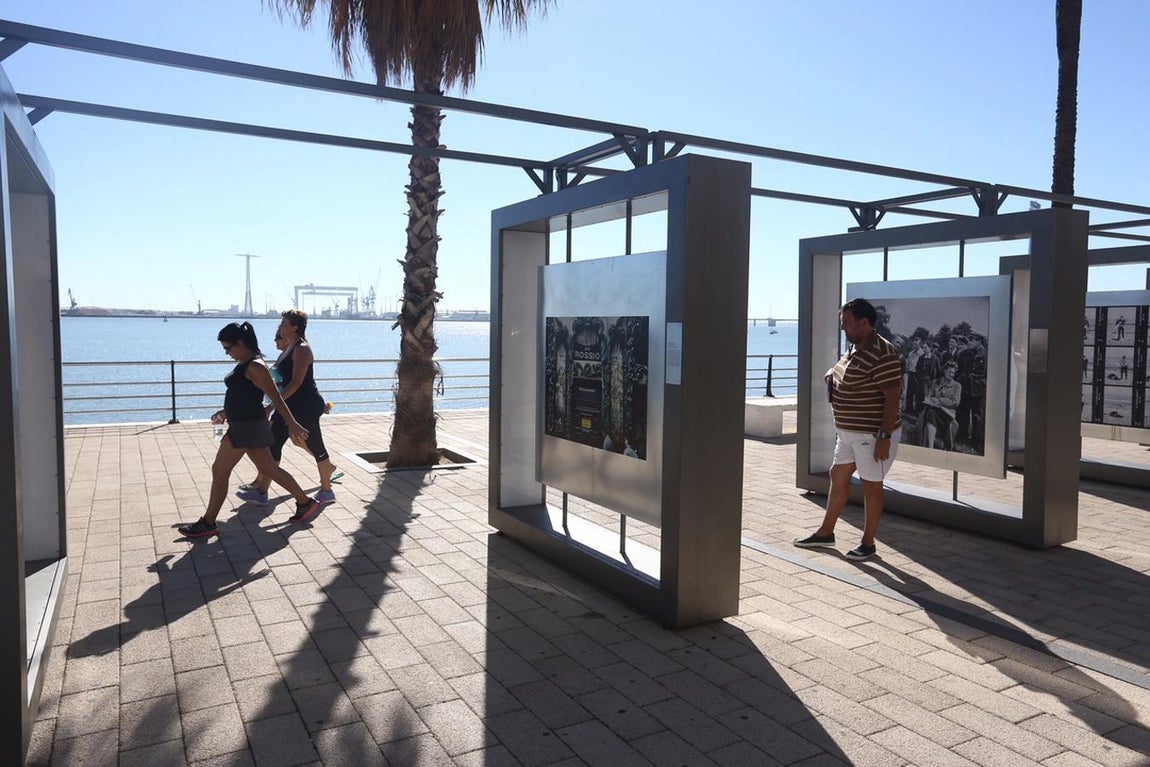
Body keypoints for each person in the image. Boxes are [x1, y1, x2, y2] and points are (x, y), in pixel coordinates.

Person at [178, 323, 321, 538]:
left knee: (220, 470)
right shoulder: (247, 363)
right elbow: (243, 396)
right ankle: (305, 502)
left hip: (247, 427)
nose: (227, 353)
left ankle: (208, 522)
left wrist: (292, 423)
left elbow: (276, 397)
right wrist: (225, 412)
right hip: (245, 424)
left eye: (229, 348)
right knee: (269, 468)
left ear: (241, 343)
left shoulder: (255, 366)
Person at [794, 298, 902, 561]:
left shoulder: (882, 351)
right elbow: (849, 372)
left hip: (871, 434)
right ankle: (826, 533)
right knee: (837, 475)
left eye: (847, 323)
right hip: (848, 433)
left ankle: (868, 543)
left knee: (871, 486)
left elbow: (892, 395)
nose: (843, 328)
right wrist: (833, 375)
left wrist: (884, 437)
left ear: (864, 322)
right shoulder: (855, 346)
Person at [237, 309, 339, 506]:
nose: (281, 327)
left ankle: (327, 490)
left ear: (295, 327)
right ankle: (261, 491)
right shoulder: (289, 348)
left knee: (315, 445)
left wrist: (272, 406)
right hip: (289, 406)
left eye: (284, 323)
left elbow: (296, 383)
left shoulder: (302, 349)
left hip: (305, 406)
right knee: (273, 444)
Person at [917, 360, 962, 450]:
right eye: (949, 372)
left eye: (953, 373)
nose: (951, 375)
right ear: (944, 370)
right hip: (934, 410)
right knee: (930, 412)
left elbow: (955, 402)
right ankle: (930, 446)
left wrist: (940, 400)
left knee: (930, 414)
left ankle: (930, 446)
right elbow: (929, 396)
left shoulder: (957, 386)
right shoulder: (936, 382)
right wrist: (931, 399)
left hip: (947, 414)